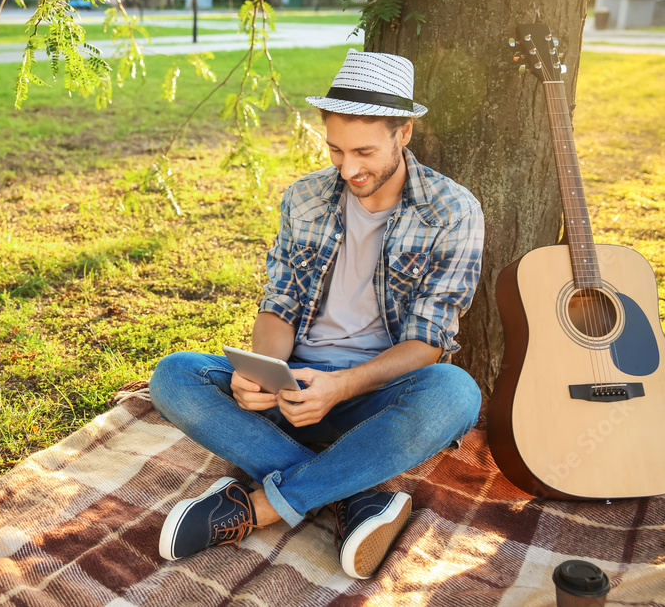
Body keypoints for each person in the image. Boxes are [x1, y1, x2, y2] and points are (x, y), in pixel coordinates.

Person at [148, 49, 485, 580]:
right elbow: (278, 303)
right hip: (294, 387)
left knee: (457, 392)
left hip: (374, 398)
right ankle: (348, 497)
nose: (349, 168)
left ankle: (257, 508)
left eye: (365, 151)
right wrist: (258, 372)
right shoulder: (305, 198)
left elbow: (430, 339)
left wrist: (343, 387)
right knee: (174, 375)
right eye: (335, 149)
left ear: (406, 133)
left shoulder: (452, 210)